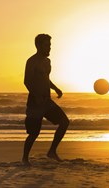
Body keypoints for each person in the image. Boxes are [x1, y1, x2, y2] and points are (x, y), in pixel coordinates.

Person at [22, 34, 69, 166]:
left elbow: (45, 79)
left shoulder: (47, 62)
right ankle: (25, 158)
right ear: (38, 46)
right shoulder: (31, 61)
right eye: (47, 45)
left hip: (47, 102)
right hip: (35, 103)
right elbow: (27, 81)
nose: (49, 48)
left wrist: (56, 88)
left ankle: (52, 151)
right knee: (34, 133)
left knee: (64, 122)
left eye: (50, 45)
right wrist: (36, 96)